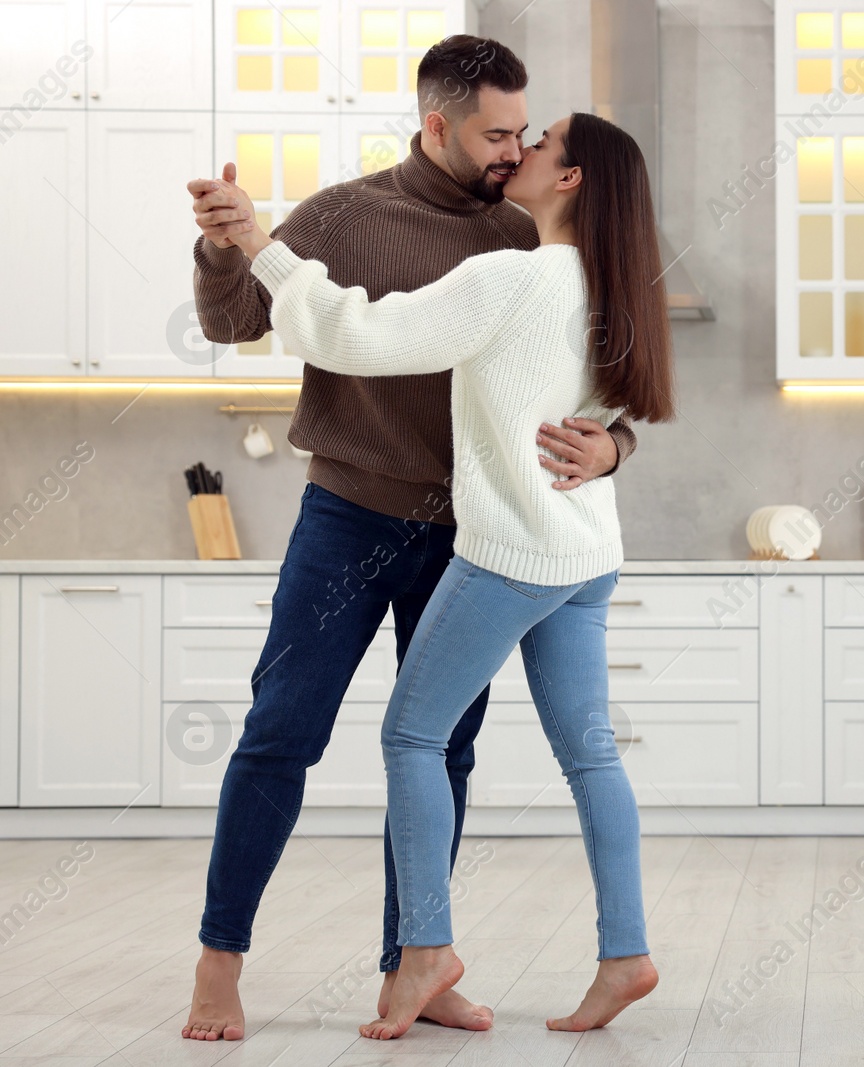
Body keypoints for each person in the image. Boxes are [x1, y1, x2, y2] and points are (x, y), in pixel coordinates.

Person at [181, 36, 639, 1042]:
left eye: (525, 133)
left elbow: (600, 382)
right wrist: (228, 246)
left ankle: (412, 962)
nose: (509, 151)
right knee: (281, 732)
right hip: (350, 515)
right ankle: (220, 960)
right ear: (437, 122)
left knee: (441, 749)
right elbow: (238, 320)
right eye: (493, 132)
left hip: (472, 536)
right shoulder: (343, 215)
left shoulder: (534, 231)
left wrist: (611, 448)